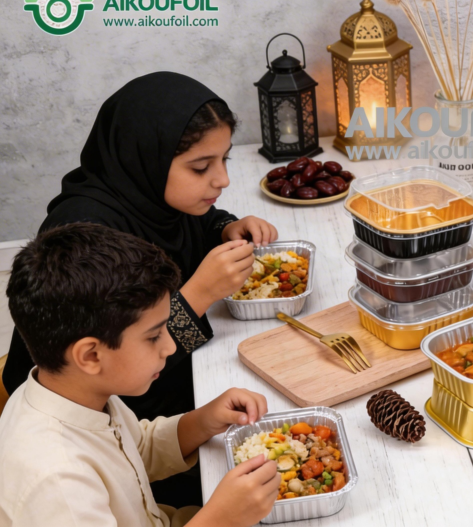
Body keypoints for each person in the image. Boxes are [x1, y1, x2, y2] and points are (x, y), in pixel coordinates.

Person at [1, 71, 276, 506]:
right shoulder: (89, 233)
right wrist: (200, 294)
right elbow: (127, 358)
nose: (221, 179)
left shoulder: (152, 196)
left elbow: (135, 444)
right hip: (143, 404)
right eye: (202, 167)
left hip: (144, 434)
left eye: (225, 160)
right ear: (144, 158)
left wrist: (226, 227)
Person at [0, 223, 280, 527]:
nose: (171, 346)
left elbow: (135, 451)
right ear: (91, 355)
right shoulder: (57, 483)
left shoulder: (84, 392)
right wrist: (219, 520)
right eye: (153, 336)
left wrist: (201, 421)